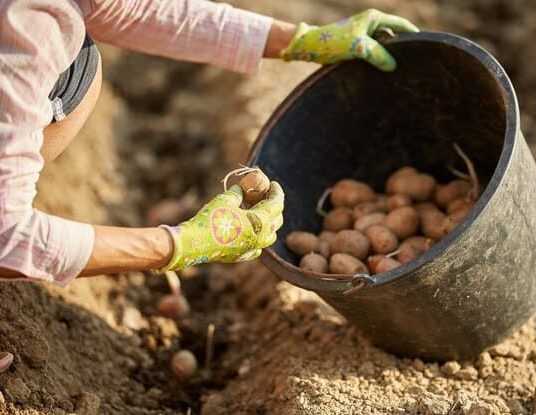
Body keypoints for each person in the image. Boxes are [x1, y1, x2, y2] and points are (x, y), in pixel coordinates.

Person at [0, 0, 418, 285]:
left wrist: (298, 40)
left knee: (79, 65)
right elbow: (6, 237)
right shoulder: (27, 24)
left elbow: (124, 9)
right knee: (77, 77)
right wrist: (181, 244)